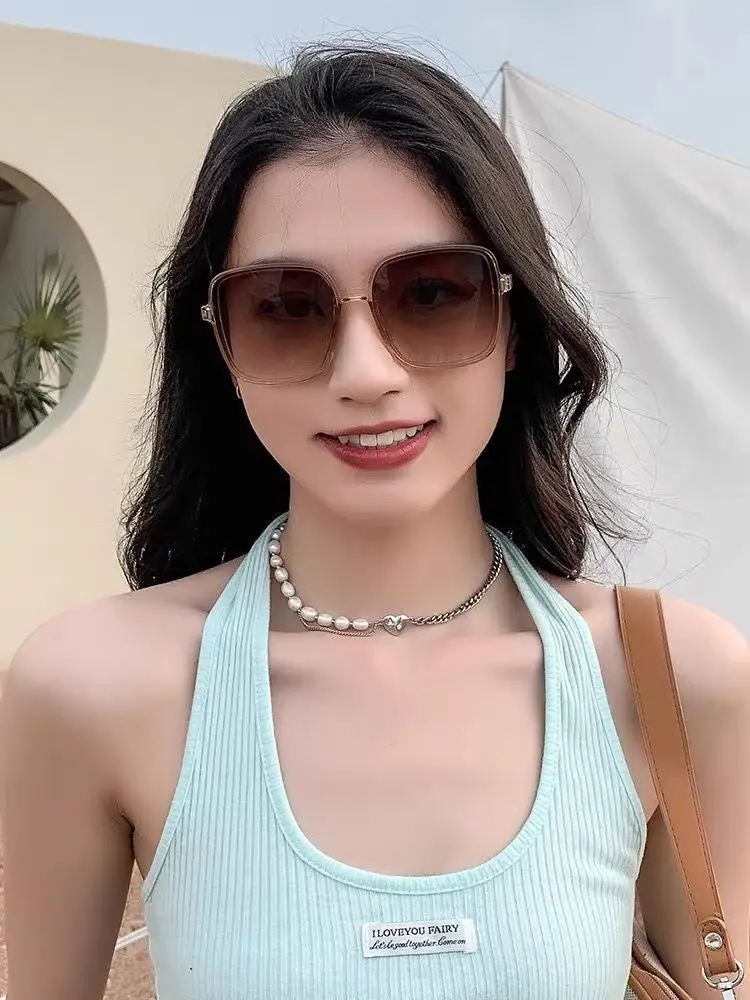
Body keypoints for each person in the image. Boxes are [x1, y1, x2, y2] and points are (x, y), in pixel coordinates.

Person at [0, 44, 748, 1000]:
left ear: (517, 321)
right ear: (220, 347)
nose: (365, 372)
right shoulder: (90, 687)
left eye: (432, 294)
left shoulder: (671, 677)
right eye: (286, 308)